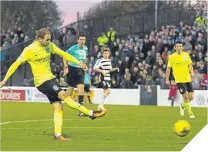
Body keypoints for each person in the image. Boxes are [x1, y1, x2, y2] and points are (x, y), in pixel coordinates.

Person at [0, 28, 107, 141]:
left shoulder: (49, 45)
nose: (48, 42)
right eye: (46, 40)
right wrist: (4, 80)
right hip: (42, 82)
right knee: (64, 96)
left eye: (50, 39)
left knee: (58, 106)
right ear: (39, 39)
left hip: (50, 79)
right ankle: (91, 113)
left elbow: (64, 54)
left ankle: (58, 135)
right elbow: (15, 64)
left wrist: (79, 63)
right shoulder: (30, 49)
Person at [166, 41, 195, 119]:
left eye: (180, 46)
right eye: (177, 46)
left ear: (182, 47)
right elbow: (168, 69)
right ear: (175, 47)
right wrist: (167, 79)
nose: (179, 48)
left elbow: (190, 65)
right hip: (179, 80)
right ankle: (190, 113)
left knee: (191, 97)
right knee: (185, 96)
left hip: (187, 78)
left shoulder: (186, 55)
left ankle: (182, 105)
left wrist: (192, 72)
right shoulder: (171, 57)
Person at [63, 34, 88, 116]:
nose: (82, 41)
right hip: (72, 69)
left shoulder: (85, 48)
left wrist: (85, 65)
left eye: (83, 39)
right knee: (69, 90)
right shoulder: (73, 48)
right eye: (80, 39)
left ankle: (81, 111)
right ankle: (60, 104)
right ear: (77, 40)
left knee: (81, 88)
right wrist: (66, 67)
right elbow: (64, 56)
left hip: (80, 70)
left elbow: (84, 59)